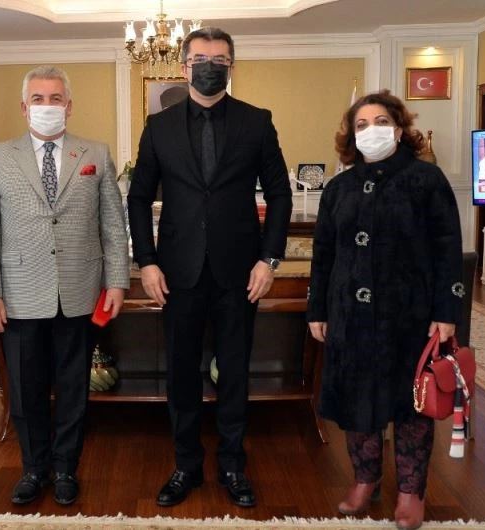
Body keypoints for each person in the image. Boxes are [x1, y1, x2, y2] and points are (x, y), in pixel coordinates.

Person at [127, 27, 292, 508]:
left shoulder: (257, 122)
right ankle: (186, 465)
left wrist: (269, 259)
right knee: (181, 373)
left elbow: (280, 194)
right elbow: (138, 198)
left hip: (240, 273)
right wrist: (147, 262)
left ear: (231, 66)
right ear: (184, 66)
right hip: (176, 273)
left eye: (220, 59)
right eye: (201, 58)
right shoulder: (158, 127)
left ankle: (233, 466)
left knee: (234, 371)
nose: (210, 66)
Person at [0, 65, 129, 506]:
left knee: (74, 387)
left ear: (69, 106)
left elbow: (113, 226)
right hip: (19, 293)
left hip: (80, 291)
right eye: (38, 99)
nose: (47, 106)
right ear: (24, 108)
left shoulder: (94, 152)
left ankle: (65, 469)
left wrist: (117, 281)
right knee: (25, 390)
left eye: (55, 98)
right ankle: (33, 468)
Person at [307, 90, 463, 530]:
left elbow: (448, 249)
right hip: (348, 316)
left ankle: (411, 491)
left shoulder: (426, 180)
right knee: (357, 400)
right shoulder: (338, 188)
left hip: (409, 317)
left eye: (380, 122)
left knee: (412, 405)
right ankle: (365, 479)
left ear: (398, 130)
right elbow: (323, 254)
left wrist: (446, 311)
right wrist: (317, 309)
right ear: (351, 135)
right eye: (361, 125)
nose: (370, 131)